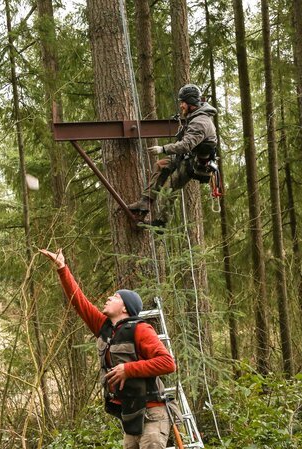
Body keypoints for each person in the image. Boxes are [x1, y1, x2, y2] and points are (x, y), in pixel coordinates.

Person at [39, 248, 176, 449]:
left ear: (125, 308)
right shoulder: (103, 328)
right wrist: (62, 268)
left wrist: (127, 369)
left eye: (115, 296)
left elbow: (168, 363)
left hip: (152, 412)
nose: (109, 298)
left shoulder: (141, 330)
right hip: (131, 416)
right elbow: (79, 301)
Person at [127, 84, 218, 226]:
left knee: (170, 187)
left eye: (183, 102)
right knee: (160, 165)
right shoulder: (194, 116)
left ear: (191, 103)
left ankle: (161, 222)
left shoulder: (200, 122)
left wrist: (163, 148)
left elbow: (186, 145)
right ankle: (145, 202)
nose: (181, 105)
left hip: (195, 164)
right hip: (187, 156)